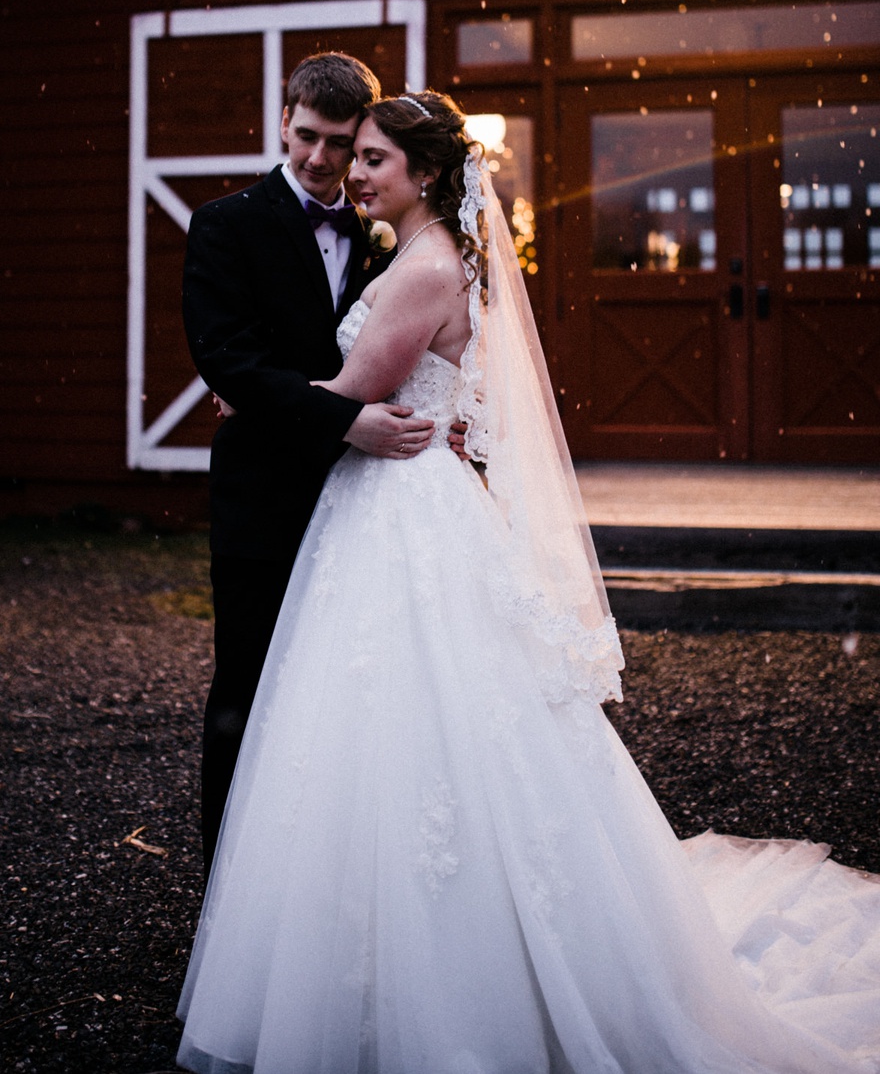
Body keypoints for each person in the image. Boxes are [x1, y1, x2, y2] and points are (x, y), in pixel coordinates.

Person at [177, 92, 880, 1074]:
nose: (356, 170)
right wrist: (299, 393)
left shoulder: (419, 269)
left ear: (423, 174)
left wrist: (263, 397)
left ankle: (425, 952)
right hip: (401, 504)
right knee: (415, 717)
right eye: (346, 151)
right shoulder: (428, 259)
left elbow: (352, 395)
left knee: (401, 715)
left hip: (398, 510)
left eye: (373, 156)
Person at [182, 53, 436, 868]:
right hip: (265, 495)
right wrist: (343, 419)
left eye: (339, 143)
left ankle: (325, 868)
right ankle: (229, 872)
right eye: (306, 137)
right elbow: (230, 362)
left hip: (365, 504)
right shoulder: (226, 224)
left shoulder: (381, 235)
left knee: (346, 689)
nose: (321, 159)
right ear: (282, 118)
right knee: (248, 685)